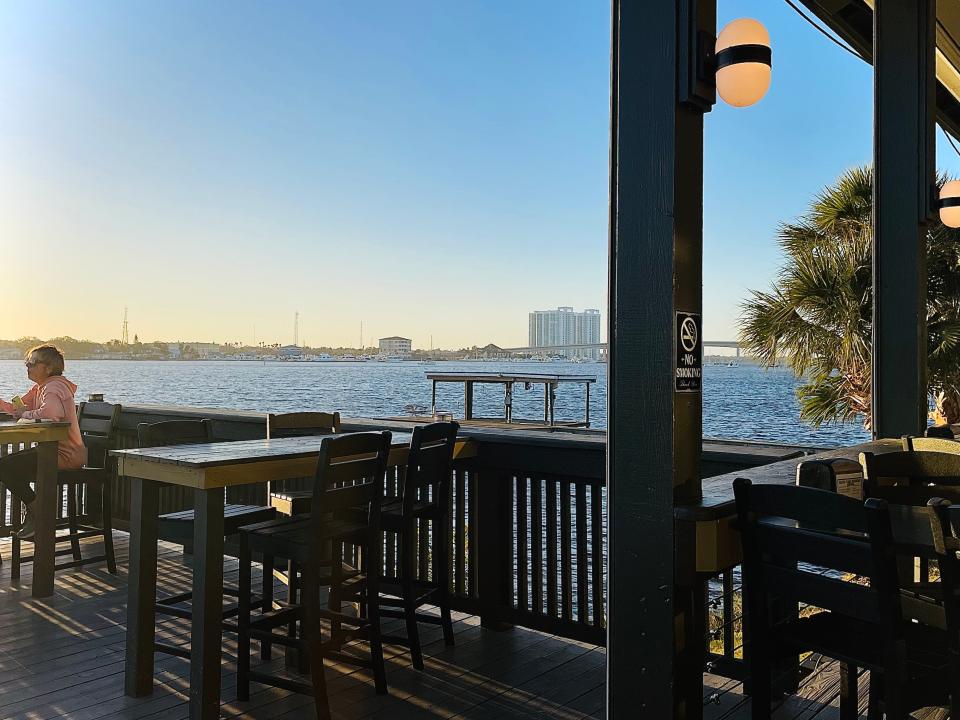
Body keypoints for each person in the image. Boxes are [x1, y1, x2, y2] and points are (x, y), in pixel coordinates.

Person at [0, 344, 86, 538]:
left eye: (32, 363)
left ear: (47, 368)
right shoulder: (40, 388)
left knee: (5, 467)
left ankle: (39, 512)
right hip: (53, 451)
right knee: (8, 467)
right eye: (26, 363)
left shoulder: (54, 386)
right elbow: (16, 409)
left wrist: (26, 413)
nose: (27, 367)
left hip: (65, 454)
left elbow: (52, 413)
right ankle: (36, 511)